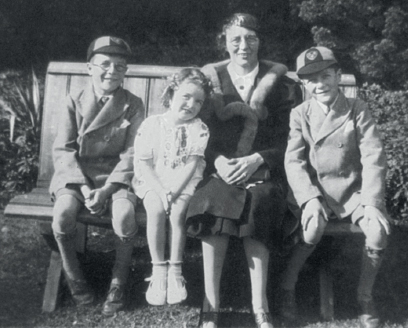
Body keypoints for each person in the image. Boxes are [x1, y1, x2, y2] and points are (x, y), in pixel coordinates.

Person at [185, 13, 301, 328]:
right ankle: (210, 307)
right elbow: (195, 131)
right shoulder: (207, 82)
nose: (243, 45)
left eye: (251, 37)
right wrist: (218, 161)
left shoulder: (282, 86)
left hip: (265, 171)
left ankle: (260, 307)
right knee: (212, 202)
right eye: (236, 38)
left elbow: (289, 139)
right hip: (218, 170)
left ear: (260, 42)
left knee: (260, 203)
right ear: (224, 41)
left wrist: (258, 159)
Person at [281, 46, 391, 328]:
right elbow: (294, 162)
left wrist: (371, 202)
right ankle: (287, 287)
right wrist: (308, 199)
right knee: (312, 227)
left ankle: (365, 296)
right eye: (312, 79)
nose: (320, 85)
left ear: (338, 76)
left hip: (354, 192)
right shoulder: (300, 114)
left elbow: (373, 157)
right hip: (317, 191)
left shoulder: (357, 109)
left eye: (326, 76)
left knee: (377, 233)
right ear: (304, 84)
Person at [49, 36, 144, 316]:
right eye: (104, 64)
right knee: (64, 213)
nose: (112, 71)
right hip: (77, 175)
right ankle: (74, 277)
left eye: (120, 66)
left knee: (125, 215)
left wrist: (106, 190)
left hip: (117, 178)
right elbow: (64, 149)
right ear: (89, 67)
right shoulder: (73, 101)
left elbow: (132, 153)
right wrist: (82, 185)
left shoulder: (133, 104)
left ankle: (118, 282)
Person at [132, 68, 212, 306]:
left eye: (198, 101)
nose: (191, 104)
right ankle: (158, 271)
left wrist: (174, 193)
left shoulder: (200, 128)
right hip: (152, 179)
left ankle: (176, 271)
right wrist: (160, 191)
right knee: (155, 210)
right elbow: (144, 163)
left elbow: (191, 165)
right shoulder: (151, 124)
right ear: (171, 94)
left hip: (183, 182)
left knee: (178, 212)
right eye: (186, 97)